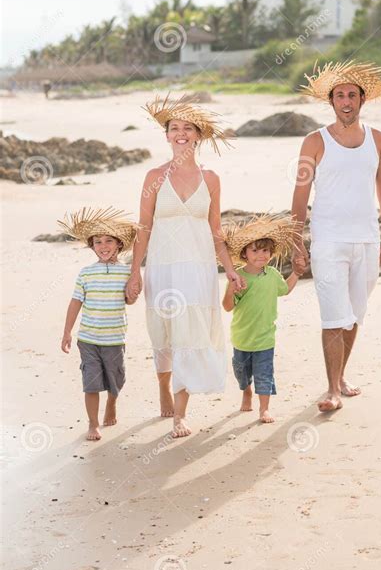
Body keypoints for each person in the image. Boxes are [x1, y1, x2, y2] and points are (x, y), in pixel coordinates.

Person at [126, 94, 245, 438]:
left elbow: (216, 230)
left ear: (198, 135)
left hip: (198, 269)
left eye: (187, 128)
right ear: (166, 135)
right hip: (162, 267)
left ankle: (180, 413)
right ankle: (164, 385)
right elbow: (143, 227)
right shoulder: (153, 176)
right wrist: (136, 271)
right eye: (174, 128)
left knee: (189, 335)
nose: (180, 133)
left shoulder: (211, 179)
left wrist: (230, 268)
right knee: (162, 333)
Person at [291, 60, 381, 412]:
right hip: (328, 241)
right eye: (340, 96)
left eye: (352, 95)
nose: (346, 101)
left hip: (366, 240)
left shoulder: (378, 140)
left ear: (362, 99)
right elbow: (301, 193)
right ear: (332, 102)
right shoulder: (314, 141)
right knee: (334, 315)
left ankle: (340, 377)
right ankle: (332, 390)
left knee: (353, 315)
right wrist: (296, 240)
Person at [59, 207, 139, 440]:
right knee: (91, 382)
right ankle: (92, 424)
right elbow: (75, 303)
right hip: (89, 339)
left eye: (108, 241)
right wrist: (67, 332)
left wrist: (133, 292)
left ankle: (112, 403)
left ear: (119, 244)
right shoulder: (86, 273)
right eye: (97, 242)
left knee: (117, 379)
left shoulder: (126, 272)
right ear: (92, 246)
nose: (103, 246)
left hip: (114, 338)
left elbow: (130, 300)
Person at [222, 215, 303, 423]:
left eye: (265, 250)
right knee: (242, 373)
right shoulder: (238, 277)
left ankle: (264, 409)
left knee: (264, 374)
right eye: (255, 250)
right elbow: (227, 306)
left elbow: (284, 290)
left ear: (271, 252)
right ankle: (246, 391)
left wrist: (296, 273)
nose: (261, 255)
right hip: (242, 338)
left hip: (265, 338)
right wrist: (231, 289)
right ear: (245, 253)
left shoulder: (273, 274)